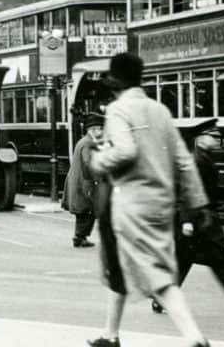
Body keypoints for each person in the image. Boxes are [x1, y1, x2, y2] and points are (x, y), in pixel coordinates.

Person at [89, 52, 212, 347]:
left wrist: (99, 159)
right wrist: (198, 204)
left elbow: (126, 151)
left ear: (114, 83)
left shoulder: (119, 110)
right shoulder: (160, 111)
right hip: (162, 203)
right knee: (116, 265)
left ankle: (195, 338)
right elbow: (184, 161)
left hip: (131, 203)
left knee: (155, 274)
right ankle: (110, 334)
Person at [151, 118, 224, 315]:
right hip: (198, 218)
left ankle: (161, 298)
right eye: (214, 136)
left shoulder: (202, 158)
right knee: (216, 261)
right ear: (201, 139)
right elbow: (186, 192)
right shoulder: (197, 161)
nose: (218, 140)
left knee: (190, 261)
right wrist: (187, 220)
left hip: (200, 218)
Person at [62, 112, 103, 248]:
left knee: (85, 211)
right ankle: (79, 237)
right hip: (84, 182)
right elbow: (87, 162)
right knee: (86, 211)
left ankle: (81, 237)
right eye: (99, 129)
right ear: (92, 130)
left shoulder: (85, 141)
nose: (101, 131)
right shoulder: (87, 143)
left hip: (81, 181)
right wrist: (96, 178)